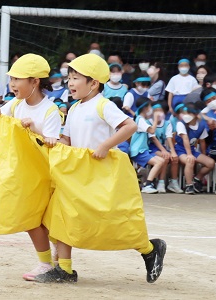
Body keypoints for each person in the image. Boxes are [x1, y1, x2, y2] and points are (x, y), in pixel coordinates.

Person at [35, 53, 166, 284]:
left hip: (98, 173)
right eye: (69, 78)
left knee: (112, 221)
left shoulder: (102, 105)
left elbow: (130, 125)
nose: (70, 83)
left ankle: (149, 249)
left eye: (76, 78)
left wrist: (106, 145)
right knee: (62, 214)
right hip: (76, 173)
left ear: (94, 83)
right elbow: (67, 139)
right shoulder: (74, 108)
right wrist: (51, 141)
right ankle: (64, 269)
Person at [0, 54, 62, 281]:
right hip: (24, 174)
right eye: (12, 79)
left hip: (44, 175)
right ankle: (47, 263)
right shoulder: (16, 104)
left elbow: (53, 144)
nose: (12, 84)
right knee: (31, 220)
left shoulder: (50, 110)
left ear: (34, 81)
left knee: (44, 221)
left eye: (17, 79)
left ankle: (52, 262)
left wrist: (34, 131)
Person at [174, 103, 215, 194]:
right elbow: (185, 139)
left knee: (210, 163)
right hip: (180, 150)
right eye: (184, 113)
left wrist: (203, 154)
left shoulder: (201, 125)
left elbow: (202, 141)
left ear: (195, 114)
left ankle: (197, 179)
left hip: (192, 150)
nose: (186, 116)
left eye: (189, 113)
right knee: (190, 161)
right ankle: (189, 186)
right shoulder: (181, 124)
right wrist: (189, 154)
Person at [129, 97, 165, 194]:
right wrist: (156, 120)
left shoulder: (141, 119)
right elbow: (152, 130)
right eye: (150, 106)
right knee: (158, 163)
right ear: (145, 108)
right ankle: (148, 184)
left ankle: (148, 182)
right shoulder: (140, 120)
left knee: (161, 161)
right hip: (138, 151)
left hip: (143, 150)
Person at [148, 102, 183, 194]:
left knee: (175, 158)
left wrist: (173, 151)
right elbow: (153, 138)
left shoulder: (167, 123)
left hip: (162, 147)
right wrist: (164, 151)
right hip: (151, 147)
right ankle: (161, 182)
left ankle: (173, 183)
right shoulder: (149, 122)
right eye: (155, 111)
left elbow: (169, 137)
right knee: (165, 157)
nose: (158, 113)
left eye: (160, 111)